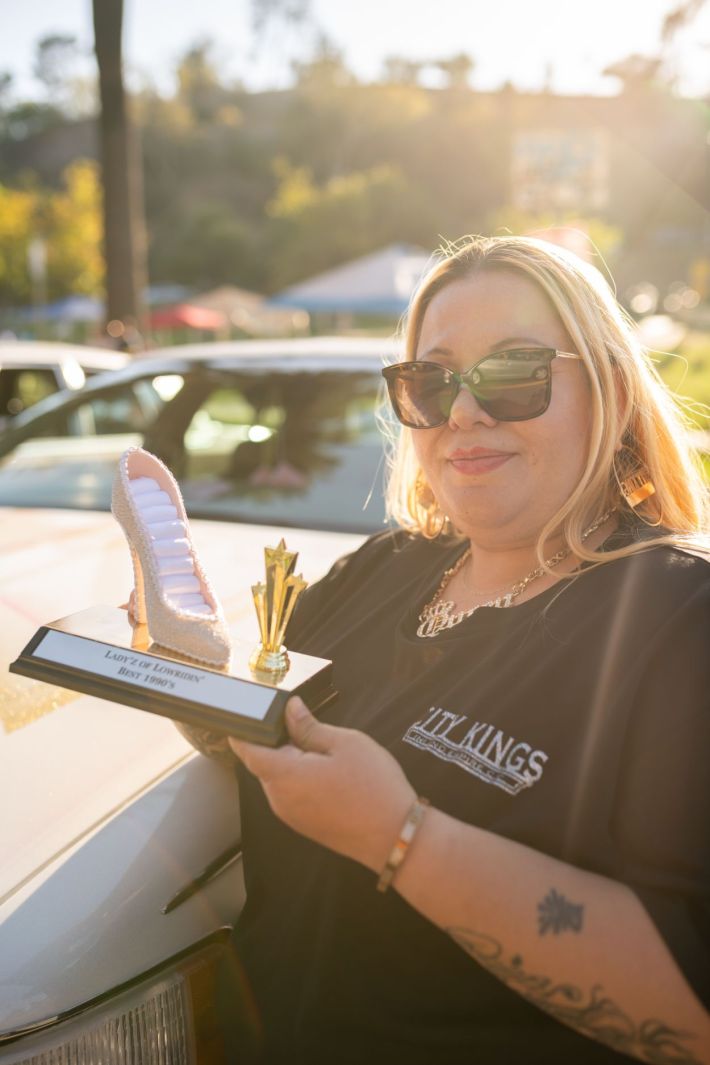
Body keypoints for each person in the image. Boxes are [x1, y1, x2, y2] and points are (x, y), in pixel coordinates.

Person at [180, 235, 710, 1064]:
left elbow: (693, 1017)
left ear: (608, 387)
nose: (463, 412)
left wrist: (403, 837)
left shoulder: (682, 621)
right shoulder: (381, 570)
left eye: (511, 372)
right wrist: (183, 665)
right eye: (430, 381)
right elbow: (265, 730)